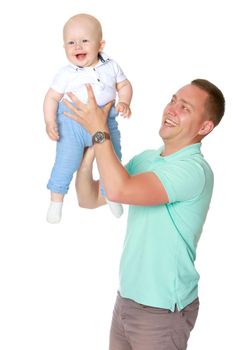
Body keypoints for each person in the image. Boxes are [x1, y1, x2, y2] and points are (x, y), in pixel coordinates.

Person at [63, 78, 225, 350]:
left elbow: (119, 190)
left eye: (184, 107)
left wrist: (99, 131)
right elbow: (89, 198)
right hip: (126, 300)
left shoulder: (194, 170)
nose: (171, 109)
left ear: (205, 127)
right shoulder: (147, 159)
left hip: (162, 312)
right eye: (173, 99)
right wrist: (89, 155)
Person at [44, 13, 132, 223]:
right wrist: (49, 122)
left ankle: (110, 194)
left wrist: (125, 102)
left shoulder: (111, 66)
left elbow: (124, 85)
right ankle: (56, 201)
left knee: (112, 160)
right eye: (71, 42)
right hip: (71, 124)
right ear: (64, 47)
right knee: (65, 163)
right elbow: (51, 98)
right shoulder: (66, 73)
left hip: (105, 122)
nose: (77, 46)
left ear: (100, 45)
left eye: (84, 41)